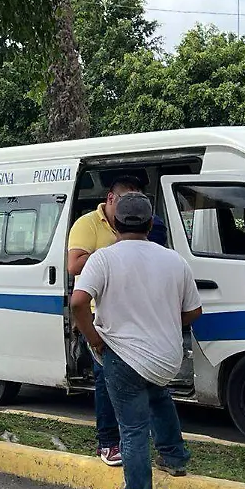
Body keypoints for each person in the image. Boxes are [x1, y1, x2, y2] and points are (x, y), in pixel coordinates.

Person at [71, 192, 202, 489]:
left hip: (123, 356)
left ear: (114, 223)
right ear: (149, 223)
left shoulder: (103, 259)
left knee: (132, 431)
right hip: (165, 357)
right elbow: (194, 312)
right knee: (159, 398)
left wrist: (94, 338)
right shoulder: (174, 260)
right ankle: (175, 458)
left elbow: (79, 302)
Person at [67, 174, 165, 468]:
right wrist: (117, 253)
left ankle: (136, 439)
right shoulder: (87, 224)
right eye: (125, 202)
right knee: (106, 380)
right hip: (101, 312)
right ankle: (107, 442)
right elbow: (74, 266)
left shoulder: (141, 227)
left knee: (140, 379)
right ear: (110, 199)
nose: (129, 210)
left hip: (134, 310)